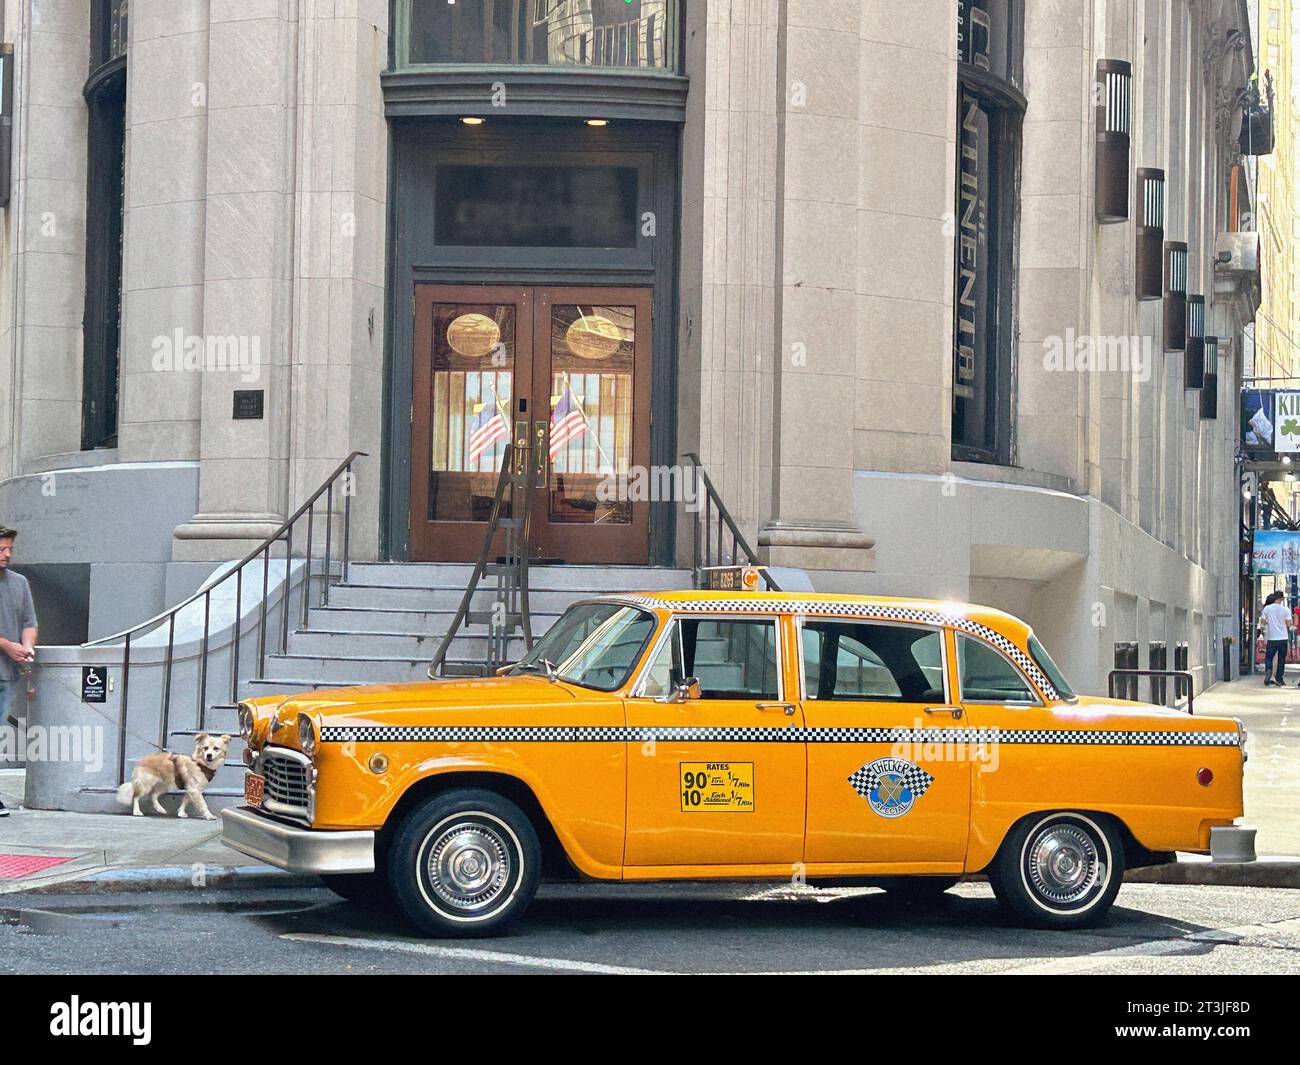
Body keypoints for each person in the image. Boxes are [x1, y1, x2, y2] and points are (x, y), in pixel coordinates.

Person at [0, 526, 38, 816]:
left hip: (7, 673)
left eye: (10, 549)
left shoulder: (19, 582)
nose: (7, 554)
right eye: (2, 549)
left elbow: (29, 621)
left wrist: (26, 647)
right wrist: (7, 645)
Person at [1260, 590, 1292, 687]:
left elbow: (1263, 622)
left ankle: (1269, 670)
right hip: (1283, 637)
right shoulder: (1286, 609)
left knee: (1269, 657)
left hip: (1272, 637)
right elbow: (1289, 623)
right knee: (1281, 659)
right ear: (1282, 598)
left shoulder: (1267, 609)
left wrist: (1269, 622)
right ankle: (1279, 678)